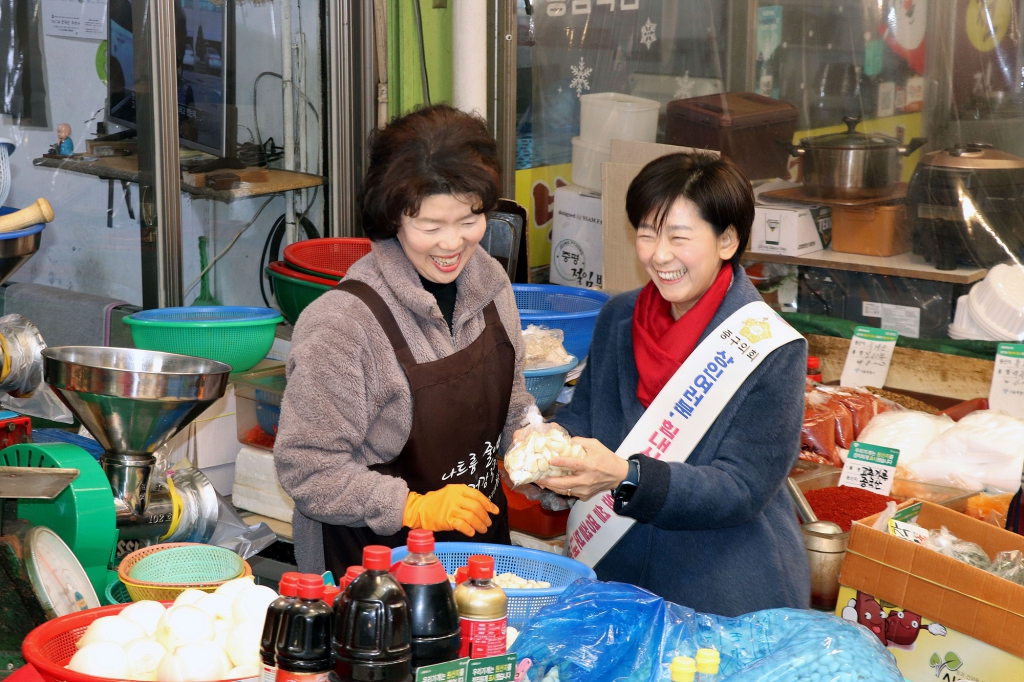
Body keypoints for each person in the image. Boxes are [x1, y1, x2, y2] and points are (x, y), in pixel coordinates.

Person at [537, 153, 810, 617]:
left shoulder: (767, 345)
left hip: (722, 592)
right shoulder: (619, 317)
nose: (659, 254)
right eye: (646, 233)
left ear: (727, 240)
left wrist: (629, 477)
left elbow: (741, 487)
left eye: (679, 237)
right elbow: (581, 423)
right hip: (616, 580)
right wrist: (551, 464)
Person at [275, 104, 534, 577]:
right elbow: (307, 469)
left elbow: (513, 408)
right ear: (392, 216)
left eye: (470, 219)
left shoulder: (491, 282)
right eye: (430, 227)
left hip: (480, 562)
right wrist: (413, 508)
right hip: (373, 580)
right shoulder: (344, 325)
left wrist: (541, 451)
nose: (452, 244)